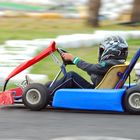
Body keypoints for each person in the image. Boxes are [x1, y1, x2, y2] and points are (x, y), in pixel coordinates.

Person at [47, 35, 128, 97]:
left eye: (102, 50)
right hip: (99, 89)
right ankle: (45, 91)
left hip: (96, 92)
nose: (101, 52)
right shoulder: (115, 63)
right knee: (51, 83)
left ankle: (46, 95)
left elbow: (92, 68)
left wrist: (74, 59)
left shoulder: (109, 63)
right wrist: (76, 62)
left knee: (71, 76)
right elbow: (93, 70)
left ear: (111, 50)